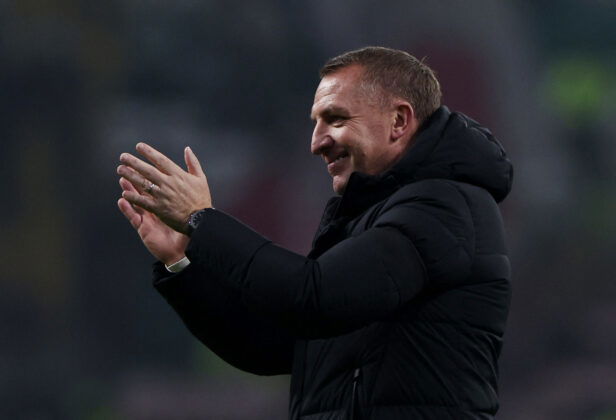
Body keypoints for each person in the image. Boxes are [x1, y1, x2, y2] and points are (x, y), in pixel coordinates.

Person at [117, 46, 513, 419]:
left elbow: (314, 295)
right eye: (316, 123)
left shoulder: (443, 208)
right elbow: (271, 346)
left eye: (336, 119)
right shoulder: (370, 220)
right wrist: (182, 260)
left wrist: (203, 221)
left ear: (398, 121)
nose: (316, 142)